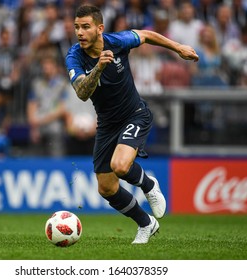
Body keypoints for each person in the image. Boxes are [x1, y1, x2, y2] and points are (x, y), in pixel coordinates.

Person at [66, 5, 199, 244]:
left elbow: (147, 35)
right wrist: (98, 68)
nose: (80, 32)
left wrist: (178, 48)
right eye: (77, 27)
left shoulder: (117, 41)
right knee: (106, 188)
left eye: (85, 27)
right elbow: (82, 93)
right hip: (107, 124)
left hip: (134, 114)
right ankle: (146, 224)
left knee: (120, 165)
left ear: (99, 28)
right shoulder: (74, 56)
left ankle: (149, 184)